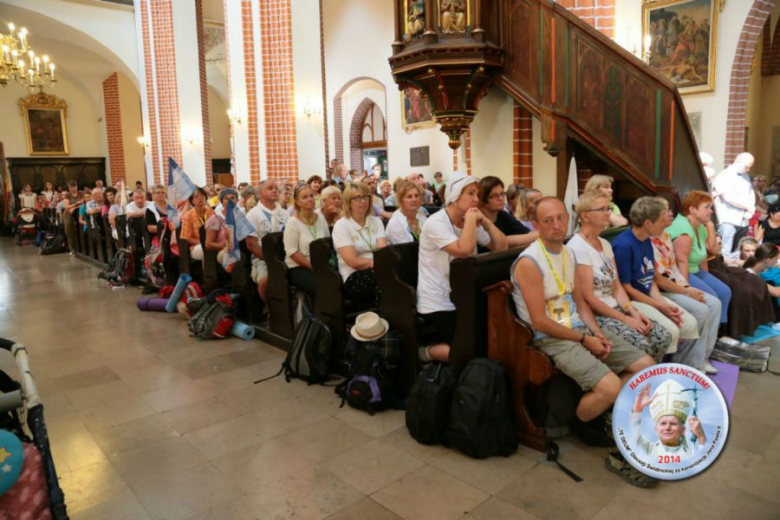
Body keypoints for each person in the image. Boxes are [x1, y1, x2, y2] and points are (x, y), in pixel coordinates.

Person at [512, 196, 655, 487]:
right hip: (549, 338)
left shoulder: (568, 253)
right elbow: (539, 321)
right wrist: (583, 339)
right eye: (548, 220)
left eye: (560, 218)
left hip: (578, 328)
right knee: (612, 386)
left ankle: (601, 409)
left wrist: (597, 334)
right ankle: (581, 421)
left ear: (568, 218)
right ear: (536, 224)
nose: (556, 225)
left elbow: (580, 303)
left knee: (646, 366)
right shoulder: (529, 262)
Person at [569, 192, 672, 362]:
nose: (608, 212)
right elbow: (589, 298)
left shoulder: (605, 244)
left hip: (617, 308)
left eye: (608, 208)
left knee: (663, 336)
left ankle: (649, 381)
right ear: (585, 216)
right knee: (644, 345)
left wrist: (632, 311)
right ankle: (638, 383)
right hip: (598, 315)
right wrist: (625, 319)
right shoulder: (578, 247)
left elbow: (617, 287)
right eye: (602, 209)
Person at [418, 172, 508, 362]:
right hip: (437, 300)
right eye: (471, 194)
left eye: (478, 194)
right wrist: (471, 221)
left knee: (486, 344)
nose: (476, 199)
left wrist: (487, 223)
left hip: (465, 294)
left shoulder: (471, 220)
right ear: (455, 195)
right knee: (466, 352)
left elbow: (501, 246)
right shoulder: (436, 223)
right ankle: (425, 352)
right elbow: (464, 250)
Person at [612, 197, 706, 371]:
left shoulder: (647, 239)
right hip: (634, 299)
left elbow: (650, 279)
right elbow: (627, 288)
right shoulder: (623, 245)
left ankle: (677, 366)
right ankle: (657, 371)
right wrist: (660, 306)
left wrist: (662, 304)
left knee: (689, 322)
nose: (665, 222)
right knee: (672, 330)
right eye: (661, 218)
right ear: (648, 222)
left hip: (648, 295)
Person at [651, 198, 722, 374]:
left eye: (670, 210)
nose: (671, 214)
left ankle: (703, 356)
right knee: (702, 308)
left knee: (714, 303)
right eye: (666, 211)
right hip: (660, 291)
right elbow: (660, 279)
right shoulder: (651, 240)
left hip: (673, 285)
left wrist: (688, 287)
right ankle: (688, 362)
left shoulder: (665, 235)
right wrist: (687, 292)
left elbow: (673, 269)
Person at [667, 191, 731, 326]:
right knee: (712, 298)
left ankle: (719, 333)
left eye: (711, 207)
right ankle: (708, 334)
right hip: (680, 273)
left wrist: (711, 226)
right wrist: (686, 290)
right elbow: (681, 263)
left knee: (724, 291)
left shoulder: (699, 226)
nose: (711, 211)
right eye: (707, 207)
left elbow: (709, 252)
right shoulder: (682, 230)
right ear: (692, 209)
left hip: (695, 270)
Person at [332, 183, 387, 303]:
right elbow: (353, 261)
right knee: (386, 283)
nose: (363, 201)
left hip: (378, 270)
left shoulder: (376, 221)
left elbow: (383, 252)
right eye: (357, 198)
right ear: (348, 202)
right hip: (354, 276)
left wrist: (379, 265)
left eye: (366, 197)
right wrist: (376, 264)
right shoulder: (342, 225)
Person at [631, 380, 706, 460]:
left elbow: (703, 463)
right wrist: (636, 411)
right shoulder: (647, 449)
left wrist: (701, 437)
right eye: (663, 423)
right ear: (656, 430)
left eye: (673, 423)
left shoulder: (691, 456)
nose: (667, 427)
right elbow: (632, 436)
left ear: (683, 430)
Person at [246, 180, 289, 305]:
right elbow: (251, 244)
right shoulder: (253, 214)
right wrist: (271, 261)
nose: (275, 190)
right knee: (264, 281)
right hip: (262, 258)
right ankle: (270, 308)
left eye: (276, 188)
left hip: (285, 255)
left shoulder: (285, 214)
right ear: (261, 193)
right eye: (270, 188)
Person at [284, 184, 330, 297]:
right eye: (305, 197)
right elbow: (292, 252)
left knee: (337, 281)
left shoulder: (320, 217)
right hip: (300, 266)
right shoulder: (293, 222)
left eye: (311, 196)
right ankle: (318, 313)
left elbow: (328, 241)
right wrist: (313, 267)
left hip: (322, 264)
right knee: (322, 285)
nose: (310, 199)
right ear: (297, 202)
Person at [711, 152, 755, 255]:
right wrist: (748, 207)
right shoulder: (724, 175)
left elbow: (751, 194)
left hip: (743, 220)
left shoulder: (746, 176)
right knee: (725, 251)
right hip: (728, 218)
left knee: (737, 253)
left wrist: (751, 208)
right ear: (738, 161)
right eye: (746, 167)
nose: (748, 169)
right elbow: (728, 197)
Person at [479, 176, 537, 247]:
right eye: (495, 196)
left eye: (502, 194)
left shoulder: (502, 214)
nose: (501, 198)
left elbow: (527, 233)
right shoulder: (478, 219)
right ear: (483, 199)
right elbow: (500, 243)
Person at [385, 180, 427, 245]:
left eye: (416, 196)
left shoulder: (422, 218)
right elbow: (406, 251)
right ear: (401, 200)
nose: (414, 199)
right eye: (409, 197)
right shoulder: (395, 223)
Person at [204, 188, 238, 264]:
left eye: (232, 197)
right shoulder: (216, 219)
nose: (229, 201)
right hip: (223, 251)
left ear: (236, 200)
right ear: (222, 201)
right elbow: (208, 244)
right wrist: (223, 245)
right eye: (226, 198)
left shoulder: (242, 217)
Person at [179, 187, 214, 261]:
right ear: (192, 201)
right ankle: (208, 272)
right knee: (206, 249)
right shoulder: (188, 215)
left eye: (202, 196)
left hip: (212, 242)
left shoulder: (211, 212)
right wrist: (205, 243)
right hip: (196, 245)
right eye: (196, 196)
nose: (200, 198)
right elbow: (187, 238)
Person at [61, 181, 83, 254]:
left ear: (76, 187)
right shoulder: (67, 195)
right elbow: (67, 207)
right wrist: (76, 204)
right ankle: (72, 249)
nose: (72, 189)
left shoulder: (81, 193)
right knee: (69, 230)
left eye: (73, 187)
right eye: (70, 187)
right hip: (68, 214)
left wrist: (76, 206)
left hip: (79, 211)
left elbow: (84, 202)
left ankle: (81, 248)